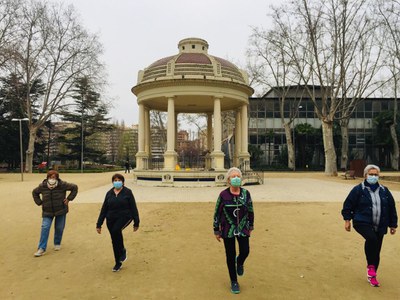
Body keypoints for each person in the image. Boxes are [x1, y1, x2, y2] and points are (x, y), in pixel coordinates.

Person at [342, 164, 397, 287]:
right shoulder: (358, 190)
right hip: (362, 221)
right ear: (365, 175)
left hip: (381, 224)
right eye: (371, 174)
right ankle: (370, 267)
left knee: (376, 250)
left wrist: (393, 225)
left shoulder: (384, 190)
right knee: (371, 239)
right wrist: (347, 220)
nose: (373, 176)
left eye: (376, 174)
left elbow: (391, 208)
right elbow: (348, 205)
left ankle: (372, 275)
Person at [213, 167, 254, 294]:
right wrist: (216, 230)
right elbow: (217, 212)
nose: (236, 178)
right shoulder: (223, 195)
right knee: (230, 256)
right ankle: (234, 281)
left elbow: (251, 210)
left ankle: (240, 261)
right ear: (228, 180)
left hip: (242, 228)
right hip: (228, 229)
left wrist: (251, 225)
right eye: (233, 177)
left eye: (238, 176)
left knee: (245, 251)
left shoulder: (246, 193)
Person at [96, 173, 140, 272]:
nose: (117, 182)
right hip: (111, 218)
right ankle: (118, 262)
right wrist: (99, 224)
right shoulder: (109, 193)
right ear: (112, 182)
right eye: (115, 180)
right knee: (114, 239)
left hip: (125, 217)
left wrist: (136, 222)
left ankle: (121, 251)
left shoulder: (127, 192)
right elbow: (104, 209)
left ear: (123, 182)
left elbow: (133, 207)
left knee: (116, 231)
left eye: (119, 180)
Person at [32, 170, 78, 257]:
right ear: (47, 178)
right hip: (47, 211)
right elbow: (35, 192)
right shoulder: (42, 186)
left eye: (54, 177)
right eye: (50, 177)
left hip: (61, 210)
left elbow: (74, 187)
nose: (52, 179)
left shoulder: (62, 185)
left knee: (59, 227)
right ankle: (41, 248)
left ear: (57, 178)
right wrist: (39, 202)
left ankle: (57, 242)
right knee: (45, 227)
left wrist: (68, 199)